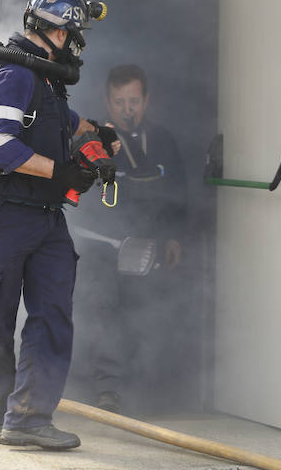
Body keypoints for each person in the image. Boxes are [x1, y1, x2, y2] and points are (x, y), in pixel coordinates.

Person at [0, 0, 117, 449]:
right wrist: (60, 172)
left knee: (52, 315)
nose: (76, 46)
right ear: (56, 31)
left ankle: (29, 419)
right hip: (7, 217)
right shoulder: (14, 74)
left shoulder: (46, 79)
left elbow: (62, 123)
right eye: (75, 36)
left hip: (47, 218)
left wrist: (100, 134)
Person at [71, 63, 188, 414]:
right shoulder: (93, 142)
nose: (127, 109)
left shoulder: (163, 140)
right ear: (108, 102)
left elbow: (178, 192)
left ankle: (144, 390)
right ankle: (108, 391)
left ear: (146, 101)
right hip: (100, 246)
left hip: (147, 246)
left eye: (134, 101)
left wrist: (173, 237)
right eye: (120, 102)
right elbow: (75, 194)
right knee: (104, 312)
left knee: (146, 313)